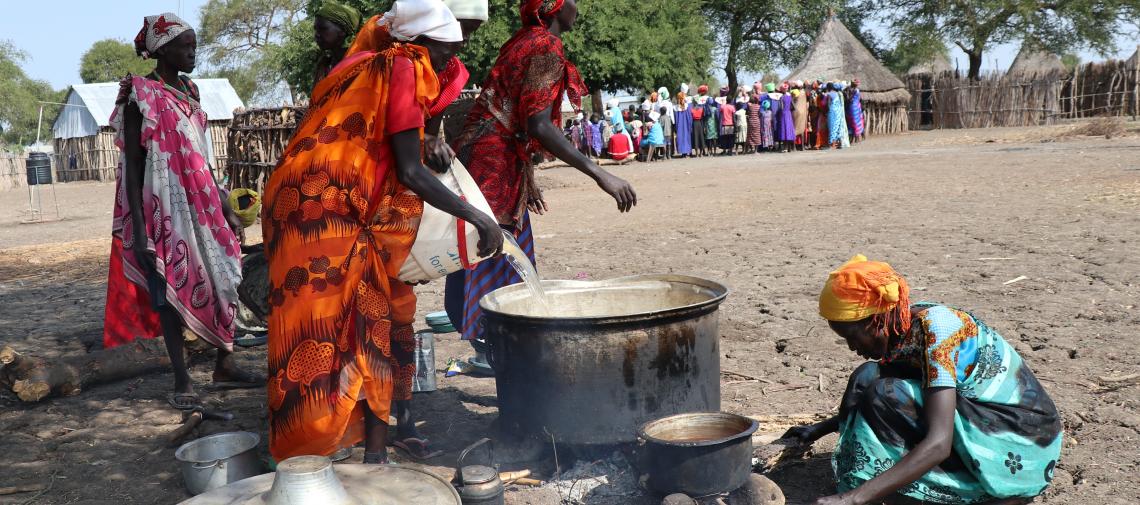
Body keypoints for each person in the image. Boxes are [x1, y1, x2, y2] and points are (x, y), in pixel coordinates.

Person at [262, 0, 504, 464]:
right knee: (333, 329)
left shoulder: (377, 66)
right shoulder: (404, 68)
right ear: (422, 43)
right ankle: (317, 452)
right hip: (323, 214)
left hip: (315, 204)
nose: (449, 63)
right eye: (444, 53)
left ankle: (365, 450)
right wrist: (477, 218)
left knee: (357, 324)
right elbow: (412, 171)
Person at [447, 0, 636, 370]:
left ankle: (489, 345)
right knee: (492, 249)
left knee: (478, 245)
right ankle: (496, 348)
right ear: (554, 9)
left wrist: (527, 176)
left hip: (482, 154)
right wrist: (601, 174)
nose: (578, 8)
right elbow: (538, 124)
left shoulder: (521, 40)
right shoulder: (546, 46)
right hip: (494, 162)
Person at [785, 255, 1062, 505]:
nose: (851, 347)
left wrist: (854, 498)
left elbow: (939, 443)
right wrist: (819, 430)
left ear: (875, 322)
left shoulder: (937, 333)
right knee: (866, 376)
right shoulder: (900, 327)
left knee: (885, 392)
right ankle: (885, 479)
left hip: (1020, 444)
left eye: (851, 336)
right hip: (977, 419)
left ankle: (981, 491)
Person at [104, 12, 259, 412]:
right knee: (171, 289)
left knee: (227, 274)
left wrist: (224, 202)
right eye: (185, 47)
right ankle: (182, 378)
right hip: (163, 207)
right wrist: (139, 229)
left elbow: (200, 157)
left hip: (203, 201)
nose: (193, 53)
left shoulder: (190, 91)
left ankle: (225, 363)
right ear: (162, 50)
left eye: (194, 46)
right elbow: (135, 165)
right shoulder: (141, 94)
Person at [312, 1, 363, 84]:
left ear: (342, 31)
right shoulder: (324, 67)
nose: (317, 34)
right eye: (316, 29)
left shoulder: (361, 63)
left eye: (323, 28)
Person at [828, 82, 850, 149]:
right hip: (839, 113)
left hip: (833, 113)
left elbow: (827, 104)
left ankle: (833, 144)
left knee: (833, 127)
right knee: (838, 127)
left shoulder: (830, 94)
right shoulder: (839, 94)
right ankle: (839, 143)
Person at [673, 91, 693, 158]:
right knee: (687, 137)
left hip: (679, 125)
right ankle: (689, 151)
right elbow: (690, 117)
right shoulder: (688, 106)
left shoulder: (676, 108)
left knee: (681, 137)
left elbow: (676, 119)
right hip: (686, 124)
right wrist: (690, 124)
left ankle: (683, 153)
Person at [777, 83, 796, 152]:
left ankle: (784, 148)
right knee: (788, 130)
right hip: (789, 114)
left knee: (784, 130)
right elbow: (793, 107)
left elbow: (781, 107)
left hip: (783, 114)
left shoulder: (781, 98)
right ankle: (789, 148)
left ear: (782, 90)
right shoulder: (790, 97)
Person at [691, 85, 710, 156]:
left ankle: (696, 153)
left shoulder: (692, 110)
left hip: (694, 123)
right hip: (701, 122)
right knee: (701, 137)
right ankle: (702, 153)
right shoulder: (701, 109)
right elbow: (704, 115)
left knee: (696, 137)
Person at [792, 83, 809, 151]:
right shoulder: (804, 93)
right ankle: (802, 147)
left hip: (796, 112)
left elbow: (792, 101)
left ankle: (794, 147)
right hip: (803, 112)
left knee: (794, 129)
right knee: (801, 129)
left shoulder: (795, 92)